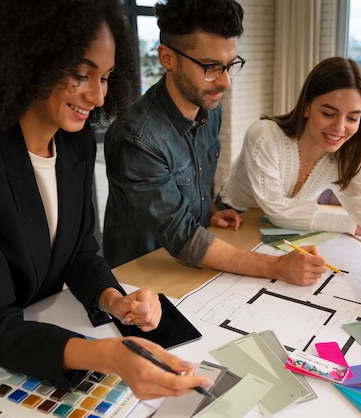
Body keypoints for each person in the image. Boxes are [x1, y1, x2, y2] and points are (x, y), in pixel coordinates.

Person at [0, 0, 212, 399]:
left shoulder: (75, 144)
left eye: (107, 78)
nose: (98, 97)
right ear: (28, 61)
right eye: (82, 74)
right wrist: (108, 355)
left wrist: (114, 299)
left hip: (29, 334)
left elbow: (79, 253)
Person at [103, 0, 327, 285]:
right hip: (140, 278)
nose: (226, 82)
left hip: (189, 267)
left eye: (230, 65)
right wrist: (278, 266)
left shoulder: (208, 107)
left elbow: (196, 181)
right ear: (167, 58)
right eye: (210, 67)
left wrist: (209, 212)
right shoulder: (137, 139)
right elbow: (184, 238)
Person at [216, 57, 361, 316]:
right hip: (235, 221)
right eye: (328, 113)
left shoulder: (346, 155)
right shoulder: (264, 136)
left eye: (353, 118)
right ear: (306, 106)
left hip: (281, 232)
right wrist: (348, 223)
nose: (339, 128)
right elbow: (277, 210)